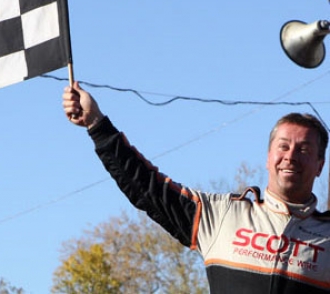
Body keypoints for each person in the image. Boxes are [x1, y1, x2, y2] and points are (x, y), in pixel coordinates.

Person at [62, 81, 330, 294]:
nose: (291, 156)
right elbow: (147, 189)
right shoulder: (223, 214)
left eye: (304, 149)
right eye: (283, 146)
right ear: (268, 156)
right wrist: (97, 124)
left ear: (320, 165)